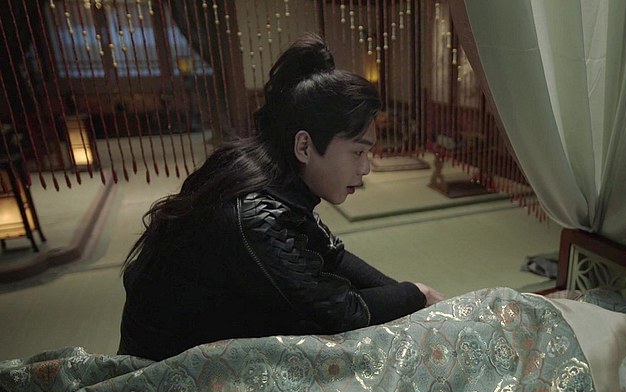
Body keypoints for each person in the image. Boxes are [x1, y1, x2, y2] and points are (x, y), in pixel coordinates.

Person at [118, 33, 444, 362]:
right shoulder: (254, 214)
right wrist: (417, 293)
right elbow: (340, 313)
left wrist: (407, 296)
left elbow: (331, 255)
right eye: (358, 152)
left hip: (210, 333)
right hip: (166, 366)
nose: (366, 168)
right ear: (304, 146)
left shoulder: (271, 171)